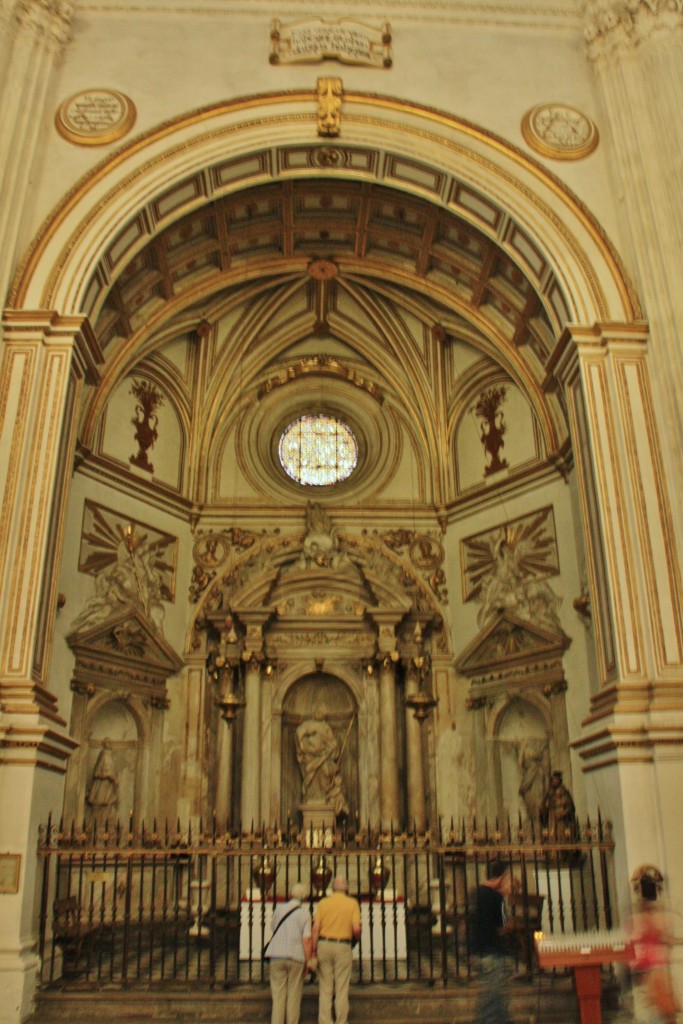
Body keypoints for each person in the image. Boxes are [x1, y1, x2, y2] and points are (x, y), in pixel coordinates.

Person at [628, 873, 680, 1024]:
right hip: (652, 970)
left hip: (652, 969)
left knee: (664, 1012)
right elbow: (662, 938)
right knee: (667, 1012)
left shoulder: (641, 918)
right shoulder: (648, 918)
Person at [311, 875, 361, 1024]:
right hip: (343, 946)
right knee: (341, 988)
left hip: (324, 944)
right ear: (346, 888)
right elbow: (356, 928)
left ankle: (325, 1021)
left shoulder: (323, 903)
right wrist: (356, 939)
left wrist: (313, 950)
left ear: (332, 888)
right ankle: (341, 1021)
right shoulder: (352, 903)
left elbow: (315, 928)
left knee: (325, 988)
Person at [472, 858, 514, 1024]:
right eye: (508, 878)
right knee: (491, 1002)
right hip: (493, 954)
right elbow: (502, 927)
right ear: (502, 878)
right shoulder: (497, 899)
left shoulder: (479, 892)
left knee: (495, 1001)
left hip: (480, 951)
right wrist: (510, 924)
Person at [265, 881, 313, 1024]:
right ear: (304, 897)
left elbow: (273, 927)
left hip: (276, 954)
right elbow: (306, 940)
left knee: (278, 995)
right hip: (296, 956)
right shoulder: (305, 914)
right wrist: (308, 961)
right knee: (294, 995)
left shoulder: (279, 908)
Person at [295, 710, 349, 817]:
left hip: (324, 757)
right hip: (310, 758)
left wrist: (331, 748)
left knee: (326, 773)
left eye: (322, 712)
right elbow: (298, 735)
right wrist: (307, 741)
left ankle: (324, 796)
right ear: (314, 713)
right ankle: (313, 796)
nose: (320, 714)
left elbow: (333, 743)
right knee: (311, 777)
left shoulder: (326, 727)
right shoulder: (307, 725)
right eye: (318, 712)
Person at [539, 770, 576, 840]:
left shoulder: (564, 791)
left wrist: (563, 813)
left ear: (560, 781)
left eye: (557, 779)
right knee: (552, 835)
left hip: (561, 818)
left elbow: (570, 806)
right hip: (551, 816)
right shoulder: (549, 792)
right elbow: (544, 805)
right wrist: (544, 809)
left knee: (561, 836)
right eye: (554, 779)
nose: (555, 781)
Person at [86, 739, 119, 813]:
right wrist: (113, 778)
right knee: (100, 800)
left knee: (105, 801)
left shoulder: (107, 755)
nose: (110, 744)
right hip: (104, 782)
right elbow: (106, 770)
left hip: (107, 783)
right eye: (108, 743)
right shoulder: (105, 755)